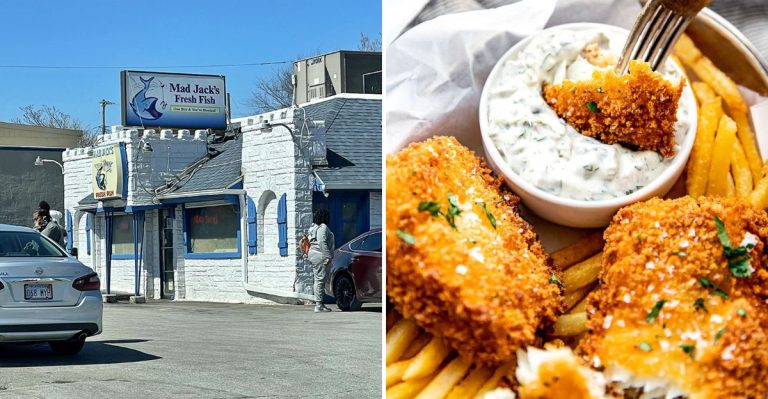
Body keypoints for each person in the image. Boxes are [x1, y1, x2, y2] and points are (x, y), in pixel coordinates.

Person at [307, 209, 335, 313]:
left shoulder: (313, 227)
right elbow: (322, 241)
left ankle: (319, 303)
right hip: (320, 255)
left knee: (318, 279)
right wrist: (327, 256)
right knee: (320, 280)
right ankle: (319, 305)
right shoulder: (323, 227)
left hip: (314, 254)